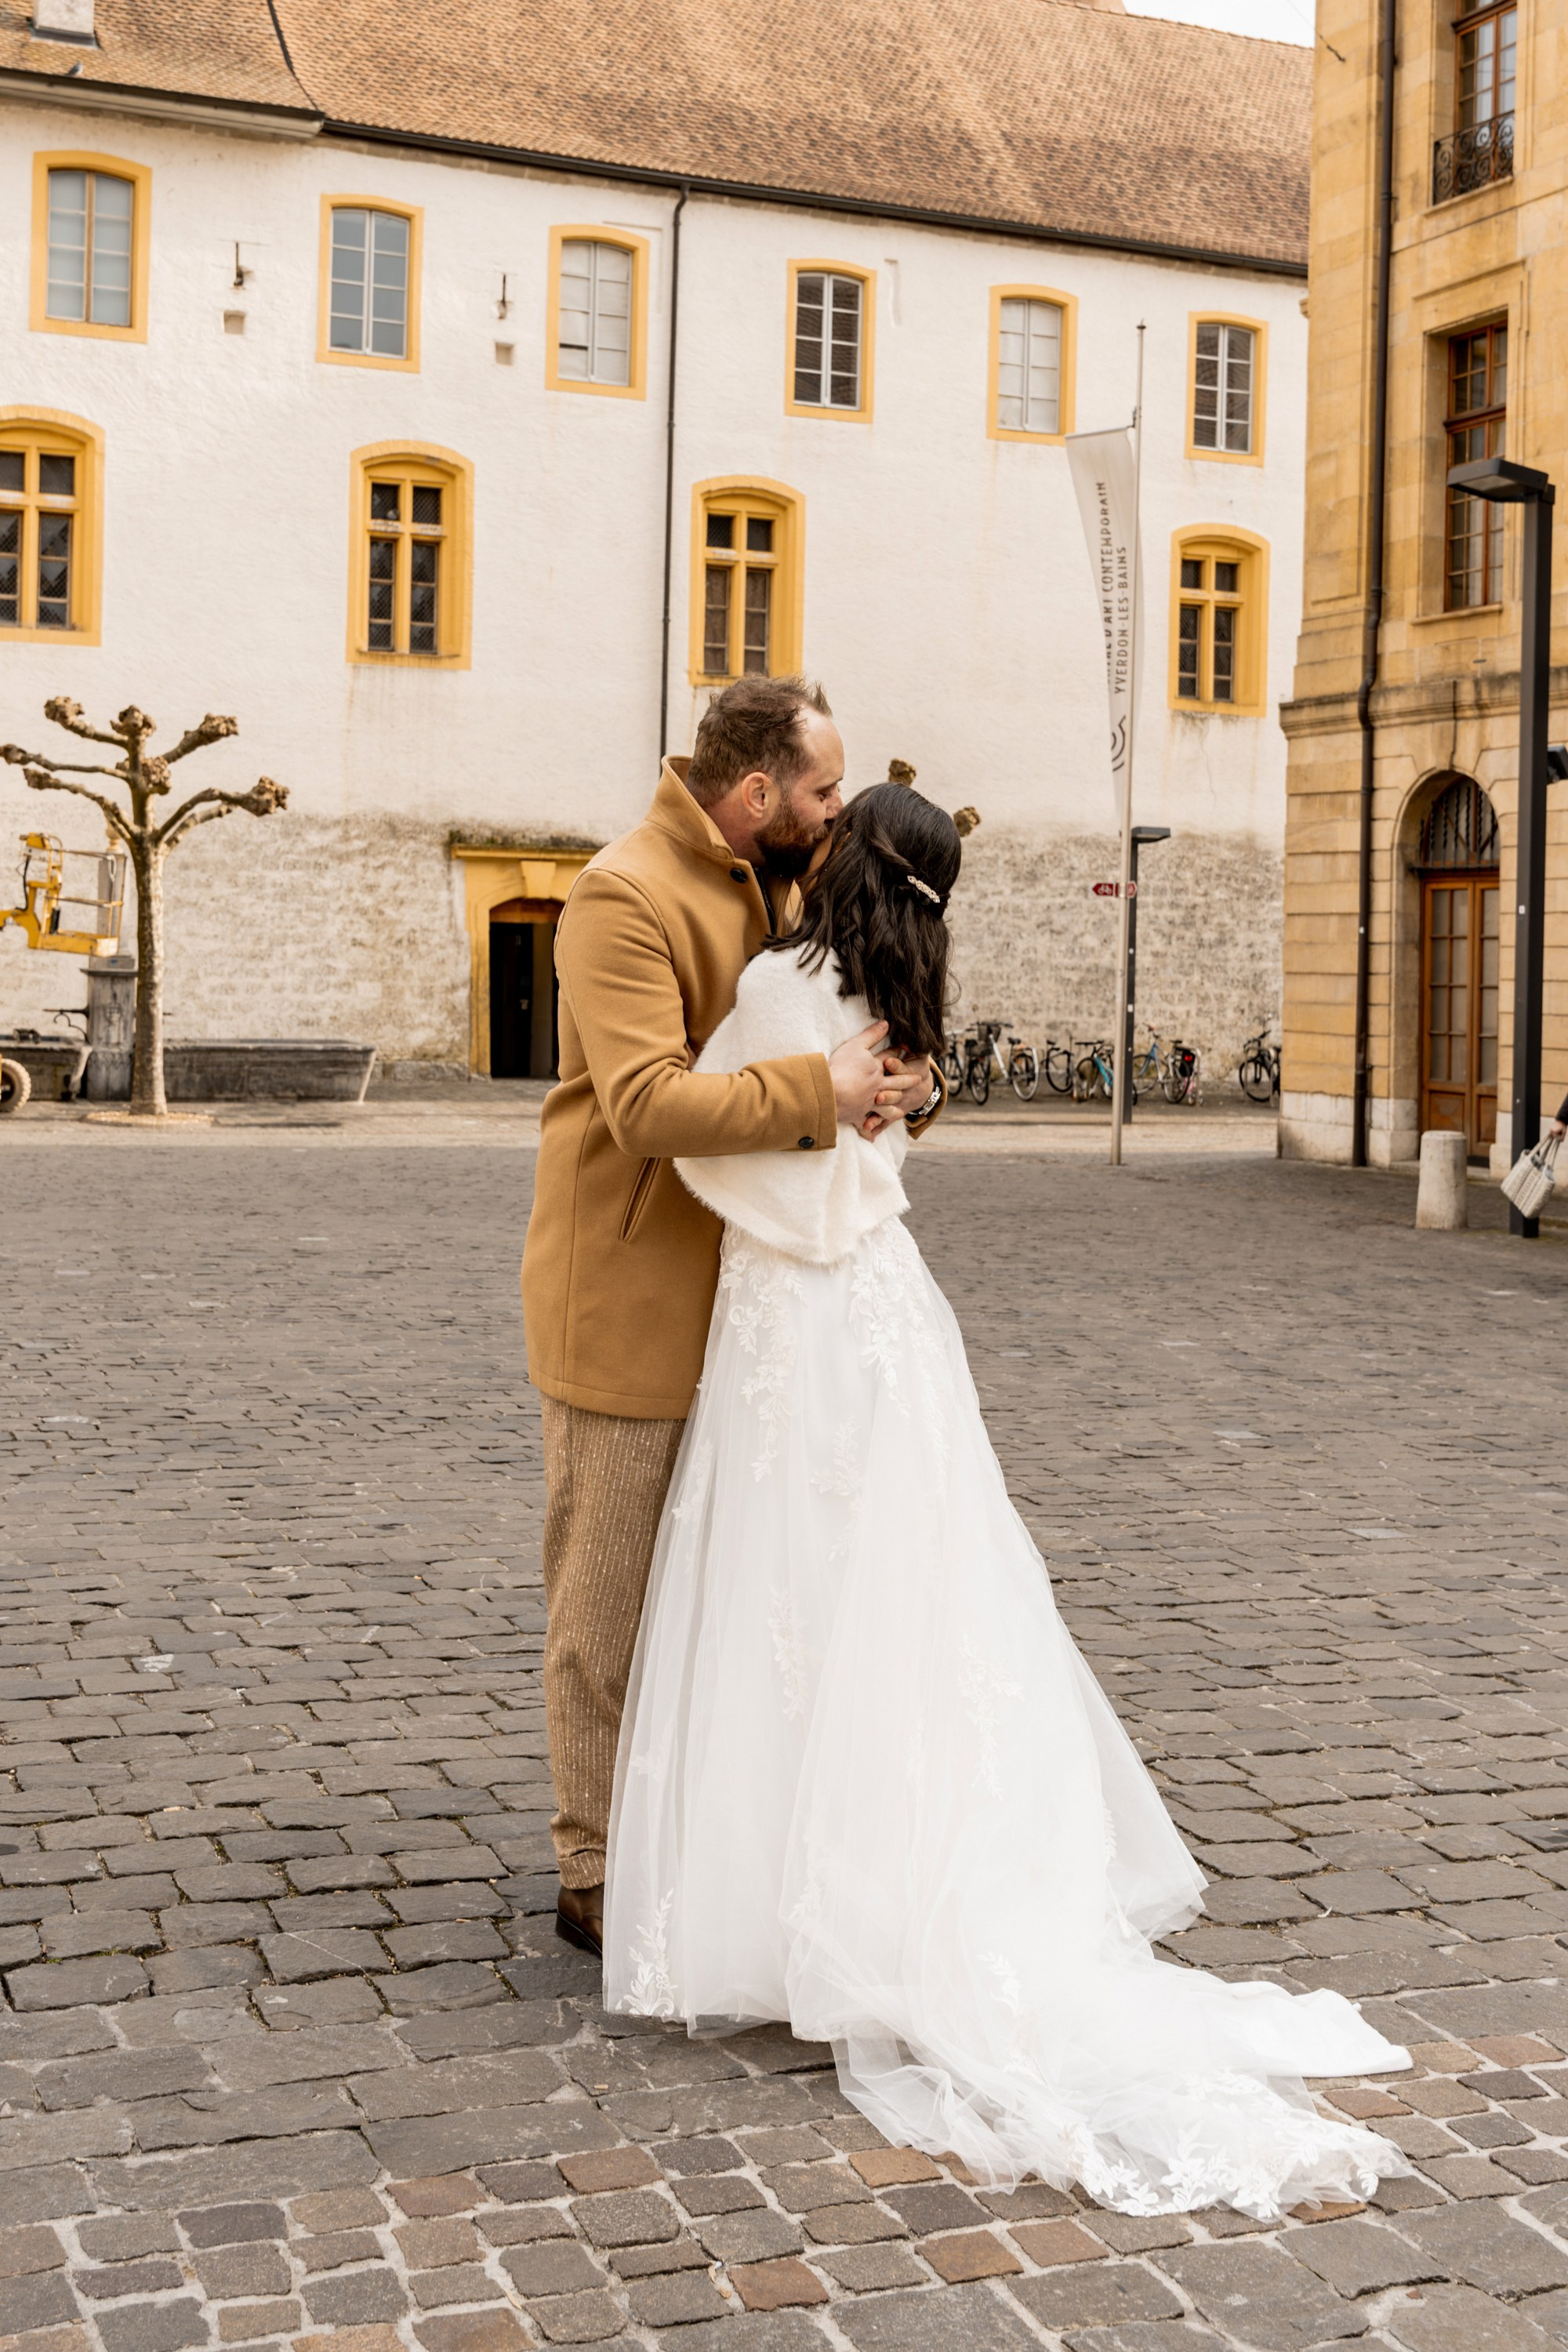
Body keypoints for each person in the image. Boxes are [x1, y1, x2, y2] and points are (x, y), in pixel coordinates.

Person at [604, 780, 1415, 2220]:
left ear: (841, 859)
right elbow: (868, 1155)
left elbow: (715, 1143)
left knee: (791, 1580)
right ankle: (905, 1866)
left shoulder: (790, 981)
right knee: (916, 1587)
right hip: (889, 1314)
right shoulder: (899, 991)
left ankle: (794, 1902)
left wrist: (815, 1144)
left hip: (798, 1316)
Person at [521, 677, 940, 1959]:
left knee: (737, 1590)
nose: (834, 810)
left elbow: (840, 1015)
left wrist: (901, 1088)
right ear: (756, 792)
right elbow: (646, 1103)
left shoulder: (786, 882)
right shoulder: (621, 895)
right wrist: (826, 1086)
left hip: (765, 1295)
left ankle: (706, 1837)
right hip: (638, 1289)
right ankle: (593, 1865)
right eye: (821, 789)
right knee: (608, 1597)